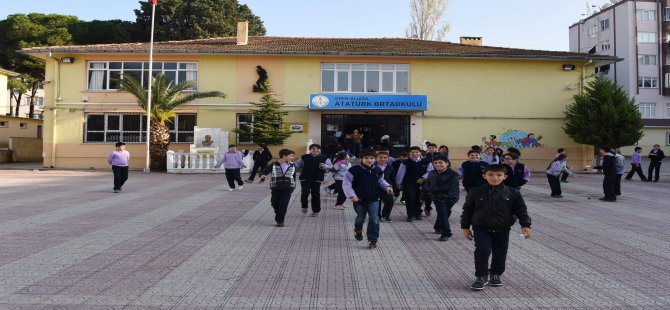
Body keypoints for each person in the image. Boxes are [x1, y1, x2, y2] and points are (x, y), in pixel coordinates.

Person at [461, 164, 532, 291]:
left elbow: (521, 210)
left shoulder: (513, 192)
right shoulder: (475, 192)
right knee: (482, 251)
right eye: (491, 175)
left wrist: (525, 225)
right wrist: (465, 227)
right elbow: (467, 210)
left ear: (505, 177)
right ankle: (481, 276)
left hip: (503, 228)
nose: (495, 178)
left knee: (500, 253)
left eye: (499, 175)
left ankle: (496, 274)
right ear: (484, 176)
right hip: (481, 228)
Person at [343, 148, 394, 249]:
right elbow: (346, 184)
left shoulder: (377, 170)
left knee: (374, 219)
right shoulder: (353, 170)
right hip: (359, 200)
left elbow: (381, 181)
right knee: (360, 218)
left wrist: (387, 186)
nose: (369, 160)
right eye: (366, 158)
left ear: (375, 159)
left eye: (371, 158)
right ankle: (358, 229)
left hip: (374, 199)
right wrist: (352, 195)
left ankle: (372, 240)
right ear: (361, 158)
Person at [421, 154, 459, 241]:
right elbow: (426, 186)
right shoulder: (432, 173)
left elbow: (447, 188)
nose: (438, 164)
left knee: (445, 213)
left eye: (440, 162)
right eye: (435, 163)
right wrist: (422, 196)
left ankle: (438, 226)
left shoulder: (453, 174)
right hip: (438, 198)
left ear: (447, 163)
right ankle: (446, 233)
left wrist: (431, 189)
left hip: (451, 197)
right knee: (443, 213)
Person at [258, 149, 296, 227]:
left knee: (283, 204)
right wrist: (262, 175)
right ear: (284, 156)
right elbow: (264, 171)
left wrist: (293, 186)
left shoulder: (292, 165)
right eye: (290, 156)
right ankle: (278, 212)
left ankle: (280, 221)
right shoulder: (274, 164)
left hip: (288, 188)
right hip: (276, 187)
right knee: (274, 203)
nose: (292, 157)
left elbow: (294, 177)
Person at [395, 146, 433, 222]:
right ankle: (410, 214)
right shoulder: (405, 162)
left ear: (420, 153)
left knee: (419, 198)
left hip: (422, 183)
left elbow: (430, 171)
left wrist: (423, 178)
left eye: (416, 152)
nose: (414, 154)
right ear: (410, 153)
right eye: (412, 152)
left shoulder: (426, 162)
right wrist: (398, 183)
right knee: (410, 198)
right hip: (409, 183)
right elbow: (401, 173)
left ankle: (417, 213)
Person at [295, 144, 332, 215]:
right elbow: (298, 164)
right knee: (305, 192)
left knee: (315, 194)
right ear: (310, 150)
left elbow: (331, 166)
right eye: (314, 149)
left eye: (318, 149)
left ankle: (316, 210)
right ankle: (304, 206)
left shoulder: (324, 157)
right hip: (305, 178)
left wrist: (324, 166)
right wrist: (290, 163)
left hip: (317, 178)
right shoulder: (304, 156)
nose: (316, 150)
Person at [376, 151, 396, 222]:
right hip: (376, 188)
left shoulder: (390, 167)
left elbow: (393, 179)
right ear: (376, 158)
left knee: (390, 201)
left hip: (388, 188)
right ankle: (377, 216)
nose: (382, 159)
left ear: (388, 159)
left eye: (385, 157)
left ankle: (385, 215)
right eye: (380, 157)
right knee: (376, 203)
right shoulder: (373, 166)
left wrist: (394, 189)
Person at [422, 143, 439, 216]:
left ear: (436, 148)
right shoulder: (425, 157)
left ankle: (441, 209)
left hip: (439, 177)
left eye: (433, 148)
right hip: (429, 177)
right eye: (430, 148)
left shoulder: (440, 156)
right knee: (428, 193)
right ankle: (427, 208)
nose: (431, 149)